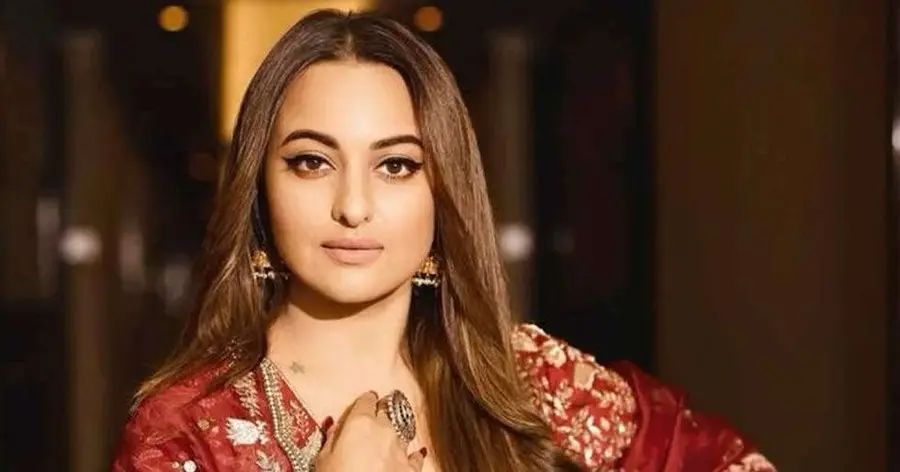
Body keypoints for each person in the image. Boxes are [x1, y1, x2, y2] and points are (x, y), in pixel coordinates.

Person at [111, 9, 776, 472]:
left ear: (443, 191)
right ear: (260, 188)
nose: (353, 206)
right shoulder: (185, 431)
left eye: (396, 165)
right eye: (312, 161)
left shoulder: (525, 382)